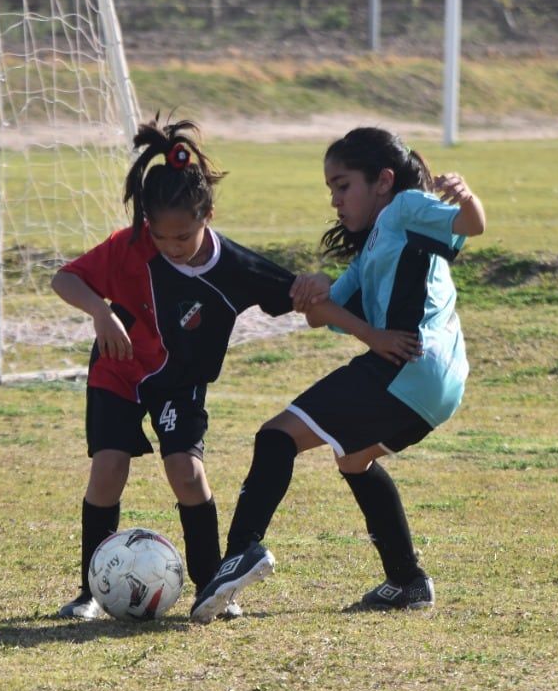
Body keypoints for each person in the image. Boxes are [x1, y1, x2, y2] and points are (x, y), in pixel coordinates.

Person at [190, 127, 486, 624]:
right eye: (330, 189)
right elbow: (320, 312)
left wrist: (466, 196)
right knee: (354, 462)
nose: (335, 199)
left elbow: (472, 225)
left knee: (276, 437)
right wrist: (317, 288)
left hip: (409, 366)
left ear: (383, 181)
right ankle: (407, 580)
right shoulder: (374, 248)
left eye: (343, 185)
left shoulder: (404, 208)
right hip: (437, 384)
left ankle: (241, 551)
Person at [50, 116, 328, 620]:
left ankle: (212, 583)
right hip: (118, 371)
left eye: (184, 236)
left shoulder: (234, 268)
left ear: (209, 215)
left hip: (180, 383)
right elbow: (65, 279)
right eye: (162, 237)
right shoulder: (129, 246)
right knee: (108, 469)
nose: (173, 247)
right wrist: (101, 311)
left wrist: (322, 284)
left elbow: (298, 295)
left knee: (186, 473)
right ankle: (90, 590)